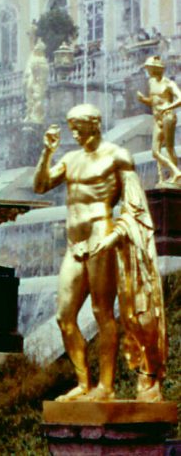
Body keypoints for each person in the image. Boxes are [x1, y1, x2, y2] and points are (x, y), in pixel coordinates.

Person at [34, 104, 166, 402]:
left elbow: (135, 205)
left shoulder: (117, 156)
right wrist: (47, 152)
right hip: (74, 243)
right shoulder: (70, 159)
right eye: (71, 128)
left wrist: (114, 236)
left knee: (101, 312)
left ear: (94, 124)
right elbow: (40, 186)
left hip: (100, 237)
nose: (74, 133)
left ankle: (105, 386)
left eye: (78, 127)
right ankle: (83, 383)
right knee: (64, 316)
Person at [136, 55, 181, 186]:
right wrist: (143, 100)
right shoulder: (151, 82)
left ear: (156, 69)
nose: (148, 71)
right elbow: (154, 101)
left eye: (149, 68)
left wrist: (167, 107)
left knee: (169, 148)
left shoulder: (169, 84)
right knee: (155, 152)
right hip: (157, 119)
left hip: (168, 117)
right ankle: (176, 172)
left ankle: (175, 177)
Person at [23, 39, 49, 124]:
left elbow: (44, 73)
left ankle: (37, 116)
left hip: (39, 82)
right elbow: (28, 71)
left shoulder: (42, 60)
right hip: (33, 81)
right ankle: (30, 115)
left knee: (38, 99)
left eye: (39, 49)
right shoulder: (33, 58)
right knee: (31, 99)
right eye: (37, 49)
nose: (37, 51)